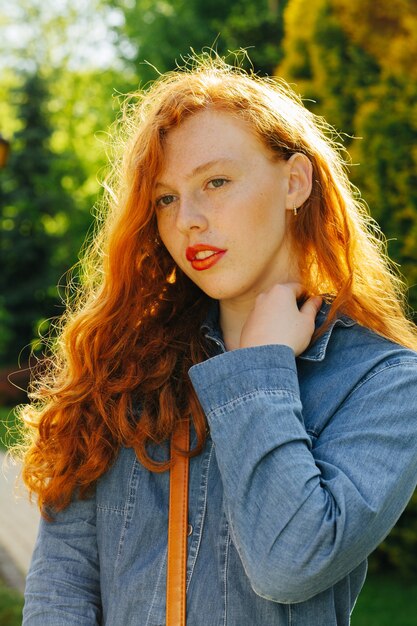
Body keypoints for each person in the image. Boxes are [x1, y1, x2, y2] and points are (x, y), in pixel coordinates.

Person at [20, 54, 417, 625]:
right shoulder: (122, 366)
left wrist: (260, 367)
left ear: (295, 182)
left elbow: (289, 563)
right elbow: (63, 583)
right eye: (166, 198)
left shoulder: (383, 383)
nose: (189, 220)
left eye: (216, 182)